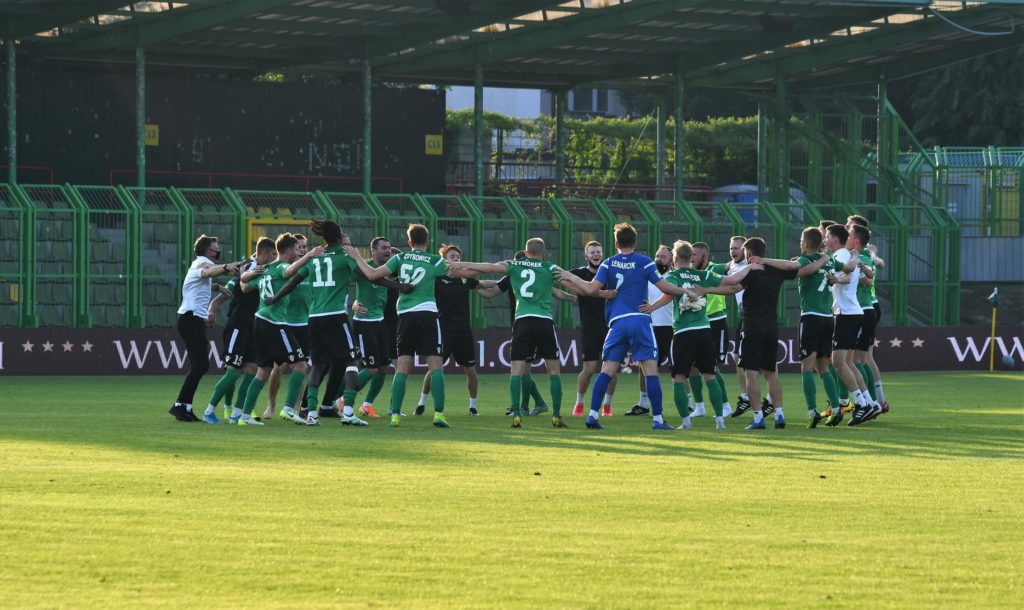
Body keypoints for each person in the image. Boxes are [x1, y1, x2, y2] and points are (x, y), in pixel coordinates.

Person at [559, 223, 698, 431]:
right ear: (635, 242)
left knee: (606, 371)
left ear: (616, 243)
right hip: (640, 319)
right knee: (651, 371)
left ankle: (593, 415)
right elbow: (665, 288)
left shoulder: (608, 263)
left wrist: (568, 276)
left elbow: (589, 289)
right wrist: (686, 292)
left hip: (617, 323)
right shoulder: (644, 262)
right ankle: (658, 419)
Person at [453, 238, 605, 428]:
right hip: (544, 322)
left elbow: (487, 267)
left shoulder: (513, 265)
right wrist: (600, 294)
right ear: (544, 253)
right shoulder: (550, 268)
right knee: (554, 373)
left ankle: (517, 412)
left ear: (526, 253)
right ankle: (556, 415)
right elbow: (578, 285)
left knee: (516, 372)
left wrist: (458, 265)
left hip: (522, 321)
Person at [345, 224, 452, 428]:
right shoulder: (435, 260)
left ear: (409, 242)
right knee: (435, 365)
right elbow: (457, 269)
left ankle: (395, 415)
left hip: (405, 315)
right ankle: (438, 413)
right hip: (428, 313)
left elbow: (373, 275)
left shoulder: (400, 258)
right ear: (427, 242)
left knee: (401, 366)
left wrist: (357, 256)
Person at [641, 241, 754, 430]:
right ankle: (719, 420)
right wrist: (749, 266)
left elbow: (668, 292)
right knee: (710, 375)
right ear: (690, 257)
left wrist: (652, 307)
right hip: (704, 331)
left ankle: (686, 422)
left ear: (675, 258)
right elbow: (731, 281)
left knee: (678, 377)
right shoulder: (704, 275)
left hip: (683, 333)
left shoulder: (674, 276)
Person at [749, 227, 844, 428]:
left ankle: (812, 412)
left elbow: (795, 268)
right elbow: (849, 268)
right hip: (829, 317)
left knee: (807, 369)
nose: (800, 244)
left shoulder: (808, 260)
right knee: (823, 367)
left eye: (801, 240)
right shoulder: (830, 259)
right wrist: (852, 262)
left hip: (811, 318)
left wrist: (764, 260)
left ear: (807, 244)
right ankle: (836, 408)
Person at [233, 233, 321, 425]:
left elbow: (245, 287)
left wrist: (245, 274)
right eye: (296, 249)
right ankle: (288, 408)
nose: (298, 252)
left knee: (263, 370)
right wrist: (309, 255)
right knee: (301, 365)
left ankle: (245, 416)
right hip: (274, 323)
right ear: (289, 251)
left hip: (260, 321)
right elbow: (289, 272)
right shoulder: (280, 266)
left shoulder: (266, 269)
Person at [415, 244, 499, 417]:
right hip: (442, 330)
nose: (456, 259)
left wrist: (504, 282)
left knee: (471, 370)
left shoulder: (465, 279)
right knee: (434, 369)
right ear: (444, 259)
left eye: (458, 257)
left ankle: (473, 406)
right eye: (452, 256)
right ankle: (421, 403)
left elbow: (484, 285)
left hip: (462, 331)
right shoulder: (437, 278)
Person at [201, 237, 275, 424]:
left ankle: (238, 413)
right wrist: (211, 308)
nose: (275, 257)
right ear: (265, 253)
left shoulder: (267, 271)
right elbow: (236, 289)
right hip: (238, 325)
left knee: (251, 369)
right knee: (233, 371)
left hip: (254, 326)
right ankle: (209, 410)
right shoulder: (248, 268)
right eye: (273, 254)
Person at [169, 234, 240, 422]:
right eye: (216, 248)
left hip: (192, 319)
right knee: (201, 365)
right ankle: (180, 405)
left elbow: (204, 279)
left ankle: (184, 406)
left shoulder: (200, 265)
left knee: (199, 365)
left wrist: (217, 286)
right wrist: (226, 267)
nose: (218, 250)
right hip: (191, 319)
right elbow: (208, 271)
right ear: (209, 251)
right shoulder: (201, 264)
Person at [732, 237, 801, 430]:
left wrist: (707, 289)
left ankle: (758, 418)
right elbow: (795, 266)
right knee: (771, 373)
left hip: (752, 326)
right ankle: (779, 415)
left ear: (749, 254)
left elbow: (732, 286)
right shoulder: (776, 270)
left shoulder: (751, 271)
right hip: (772, 326)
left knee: (751, 374)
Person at [265, 233, 312, 422]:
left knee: (302, 367)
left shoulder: (310, 267)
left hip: (305, 323)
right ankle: (271, 405)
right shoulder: (286, 269)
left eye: (305, 246)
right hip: (285, 323)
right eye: (299, 247)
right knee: (279, 367)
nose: (303, 249)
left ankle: (296, 406)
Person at [350, 237, 398, 418]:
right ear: (374, 251)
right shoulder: (364, 267)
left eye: (389, 248)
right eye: (384, 248)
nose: (388, 250)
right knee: (370, 368)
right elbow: (345, 283)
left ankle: (368, 405)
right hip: (365, 323)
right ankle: (342, 398)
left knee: (384, 367)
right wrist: (354, 303)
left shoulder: (392, 269)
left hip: (384, 322)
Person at [569, 241, 618, 418]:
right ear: (586, 256)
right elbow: (560, 278)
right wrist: (573, 295)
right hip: (589, 329)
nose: (596, 254)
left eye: (598, 251)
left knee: (611, 370)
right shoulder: (579, 274)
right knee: (589, 369)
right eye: (592, 252)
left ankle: (607, 405)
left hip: (611, 328)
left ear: (602, 254)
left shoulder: (610, 274)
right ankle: (579, 402)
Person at [846, 214, 889, 414]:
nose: (846, 230)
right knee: (864, 358)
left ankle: (872, 402)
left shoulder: (864, 255)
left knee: (859, 360)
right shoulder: (864, 254)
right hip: (867, 306)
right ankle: (879, 401)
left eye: (849, 228)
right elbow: (879, 264)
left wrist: (873, 257)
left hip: (865, 306)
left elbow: (877, 267)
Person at [687, 241, 734, 418]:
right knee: (692, 365)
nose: (691, 259)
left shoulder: (716, 269)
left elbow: (731, 266)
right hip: (698, 323)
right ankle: (699, 407)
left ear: (704, 257)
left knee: (712, 367)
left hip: (716, 322)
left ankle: (725, 405)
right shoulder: (689, 273)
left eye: (694, 255)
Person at [632, 244, 674, 416]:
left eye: (663, 256)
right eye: (657, 256)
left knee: (677, 368)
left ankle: (689, 403)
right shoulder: (650, 276)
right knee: (644, 366)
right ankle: (643, 403)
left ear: (671, 259)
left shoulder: (675, 276)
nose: (659, 259)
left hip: (671, 327)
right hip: (651, 327)